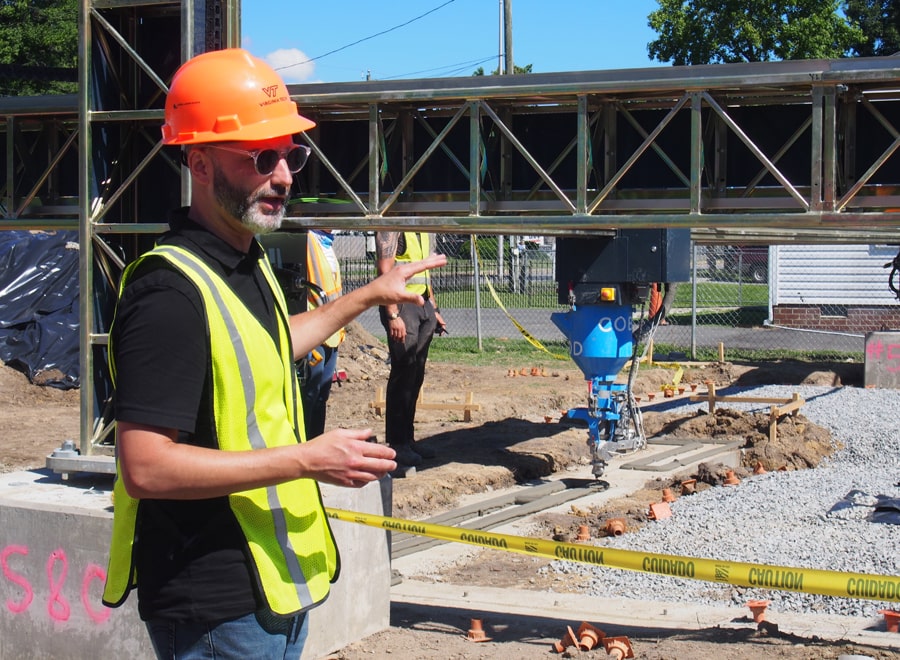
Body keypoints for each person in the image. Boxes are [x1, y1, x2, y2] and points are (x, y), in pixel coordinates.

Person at [101, 48, 445, 660]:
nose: (284, 175)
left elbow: (272, 344)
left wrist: (368, 295)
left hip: (270, 594)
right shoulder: (169, 292)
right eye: (263, 157)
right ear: (200, 163)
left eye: (292, 154)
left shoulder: (244, 259)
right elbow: (146, 467)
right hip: (213, 608)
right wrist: (307, 460)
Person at [375, 231, 447, 469]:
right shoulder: (393, 226)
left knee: (416, 374)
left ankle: (408, 438)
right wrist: (392, 313)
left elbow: (425, 272)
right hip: (402, 305)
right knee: (403, 372)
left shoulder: (422, 228)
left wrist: (433, 307)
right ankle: (397, 444)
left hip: (422, 303)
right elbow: (385, 271)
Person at [301, 229, 344, 438]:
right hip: (315, 330)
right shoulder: (309, 240)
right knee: (309, 394)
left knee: (321, 395)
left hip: (332, 331)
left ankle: (316, 441)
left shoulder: (327, 244)